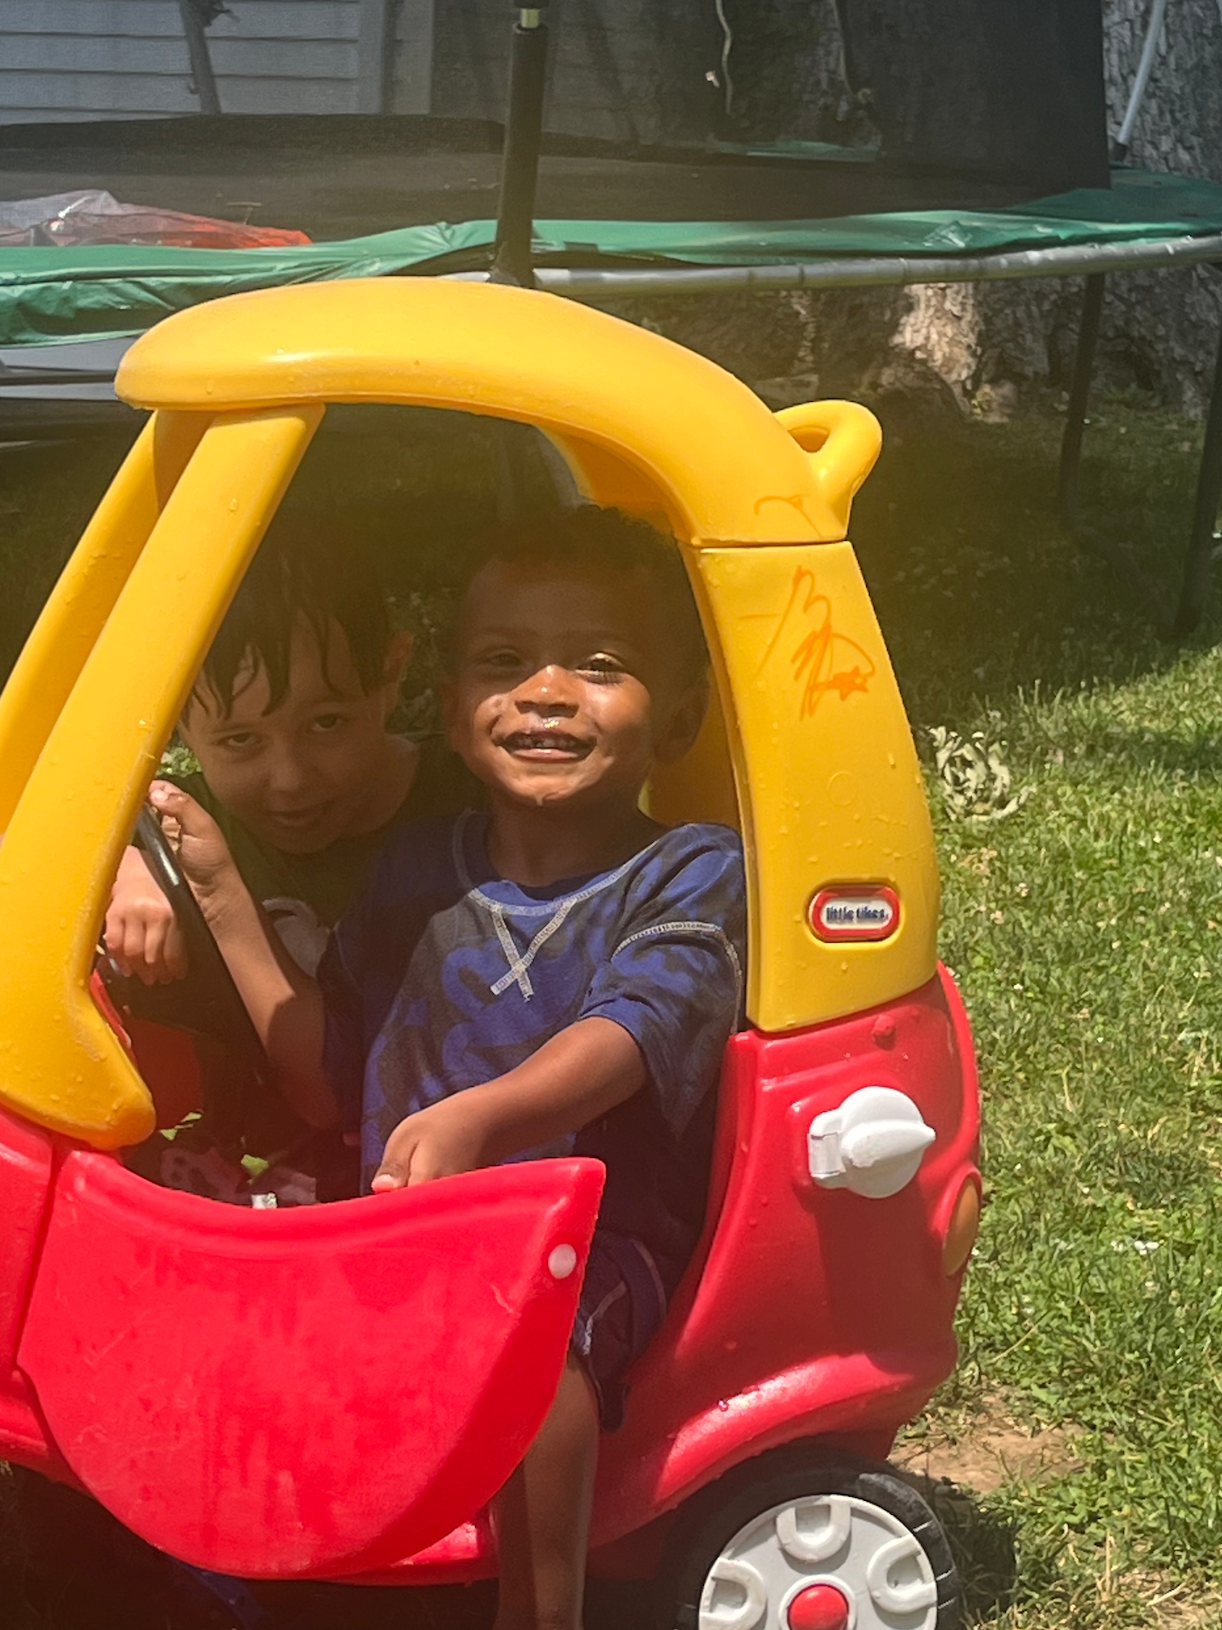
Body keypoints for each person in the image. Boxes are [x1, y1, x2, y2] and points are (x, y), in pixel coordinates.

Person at [149, 505, 746, 1630]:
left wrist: (487, 1119)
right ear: (455, 710)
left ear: (678, 716)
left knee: (538, 1352)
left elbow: (636, 1026)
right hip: (404, 1217)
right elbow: (331, 1069)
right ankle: (263, 1557)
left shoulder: (688, 869)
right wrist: (226, 897)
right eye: (506, 663)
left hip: (588, 1237)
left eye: (600, 665)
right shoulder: (417, 864)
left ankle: (542, 1606)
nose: (547, 691)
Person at [104, 515, 473, 1198]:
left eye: (327, 722)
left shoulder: (470, 809)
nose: (291, 779)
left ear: (392, 672)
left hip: (427, 1182)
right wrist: (121, 866)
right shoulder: (176, 823)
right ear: (178, 717)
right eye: (241, 740)